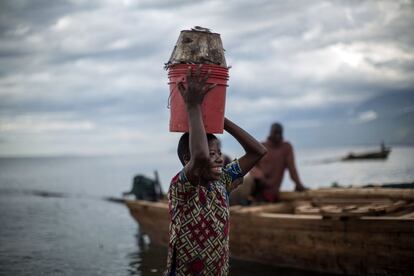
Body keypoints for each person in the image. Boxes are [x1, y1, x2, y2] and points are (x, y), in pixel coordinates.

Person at [164, 66, 267, 276]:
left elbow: (258, 152)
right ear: (187, 160)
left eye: (219, 152)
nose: (219, 157)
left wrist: (220, 119)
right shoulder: (182, 187)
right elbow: (199, 157)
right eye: (213, 153)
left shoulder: (222, 181)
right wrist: (193, 106)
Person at [230, 123, 307, 204]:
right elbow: (252, 166)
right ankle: (231, 202)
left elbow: (292, 170)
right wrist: (259, 175)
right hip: (257, 186)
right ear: (270, 133)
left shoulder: (286, 148)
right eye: (275, 133)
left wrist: (298, 184)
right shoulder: (262, 147)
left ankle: (238, 202)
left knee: (248, 182)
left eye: (279, 133)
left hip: (270, 190)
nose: (277, 136)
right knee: (246, 181)